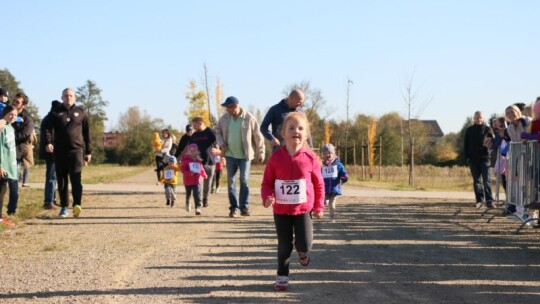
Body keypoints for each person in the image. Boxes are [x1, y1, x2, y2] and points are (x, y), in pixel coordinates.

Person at [261, 112, 324, 291]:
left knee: (305, 243)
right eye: (291, 128)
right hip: (281, 210)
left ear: (306, 134)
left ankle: (302, 249)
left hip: (303, 208)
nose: (296, 131)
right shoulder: (275, 158)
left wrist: (319, 206)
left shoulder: (310, 159)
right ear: (283, 133)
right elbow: (267, 183)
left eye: (300, 128)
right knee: (283, 245)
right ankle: (282, 275)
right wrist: (267, 197)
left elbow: (319, 185)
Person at [44, 88, 92, 218]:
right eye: (66, 96)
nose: (68, 98)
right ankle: (64, 207)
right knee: (62, 180)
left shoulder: (81, 112)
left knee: (76, 179)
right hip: (59, 151)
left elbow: (87, 133)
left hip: (76, 151)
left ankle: (77, 205)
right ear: (62, 97)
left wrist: (88, 151)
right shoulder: (55, 112)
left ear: (75, 97)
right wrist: (48, 142)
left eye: (71, 96)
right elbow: (47, 128)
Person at [215, 96, 265, 217]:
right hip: (230, 155)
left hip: (245, 156)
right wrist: (221, 144)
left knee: (244, 180)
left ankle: (244, 206)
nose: (227, 110)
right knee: (231, 182)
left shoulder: (249, 118)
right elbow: (217, 131)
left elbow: (258, 136)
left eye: (228, 107)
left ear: (235, 106)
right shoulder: (224, 119)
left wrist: (261, 152)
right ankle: (234, 207)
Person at [464, 111, 494, 209]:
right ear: (474, 118)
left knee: (487, 181)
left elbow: (492, 143)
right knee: (476, 181)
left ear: (483, 118)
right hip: (473, 159)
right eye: (477, 117)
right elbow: (466, 144)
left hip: (485, 158)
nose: (478, 119)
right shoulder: (469, 130)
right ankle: (479, 201)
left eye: (480, 117)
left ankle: (489, 202)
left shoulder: (488, 129)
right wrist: (467, 157)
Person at [188, 117, 218, 208]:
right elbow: (189, 146)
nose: (193, 127)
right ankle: (199, 200)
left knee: (208, 182)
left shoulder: (210, 131)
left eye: (194, 125)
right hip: (198, 162)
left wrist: (217, 149)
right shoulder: (194, 135)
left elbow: (218, 142)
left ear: (200, 123)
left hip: (210, 161)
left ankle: (205, 198)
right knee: (198, 182)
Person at [39, 100, 60, 209]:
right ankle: (48, 201)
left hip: (51, 152)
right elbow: (48, 134)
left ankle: (52, 199)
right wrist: (49, 143)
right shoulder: (51, 118)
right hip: (51, 152)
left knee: (54, 177)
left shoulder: (48, 117)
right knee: (52, 177)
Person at [0, 105, 19, 226]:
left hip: (10, 165)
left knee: (3, 190)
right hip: (2, 166)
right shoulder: (2, 128)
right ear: (5, 114)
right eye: (10, 114)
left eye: (15, 115)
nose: (13, 117)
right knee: (1, 191)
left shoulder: (11, 128)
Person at [12, 93, 35, 188]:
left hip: (18, 148)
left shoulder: (27, 119)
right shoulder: (6, 113)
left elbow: (25, 134)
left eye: (17, 102)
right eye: (14, 100)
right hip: (6, 148)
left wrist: (9, 137)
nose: (14, 103)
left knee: (14, 179)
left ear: (23, 105)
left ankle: (22, 182)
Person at [321, 143, 348, 219]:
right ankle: (320, 214)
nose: (328, 155)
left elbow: (344, 173)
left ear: (334, 154)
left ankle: (332, 217)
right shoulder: (321, 165)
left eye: (330, 153)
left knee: (332, 203)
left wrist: (343, 179)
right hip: (324, 189)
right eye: (326, 153)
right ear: (323, 154)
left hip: (334, 188)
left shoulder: (338, 164)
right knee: (323, 202)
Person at [181, 143, 208, 215]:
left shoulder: (198, 160)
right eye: (191, 150)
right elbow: (183, 170)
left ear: (197, 151)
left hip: (197, 180)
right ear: (188, 151)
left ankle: (197, 208)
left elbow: (201, 168)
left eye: (194, 150)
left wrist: (204, 174)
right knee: (188, 194)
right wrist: (189, 173)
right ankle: (187, 202)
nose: (193, 152)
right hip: (188, 181)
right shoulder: (185, 160)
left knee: (197, 194)